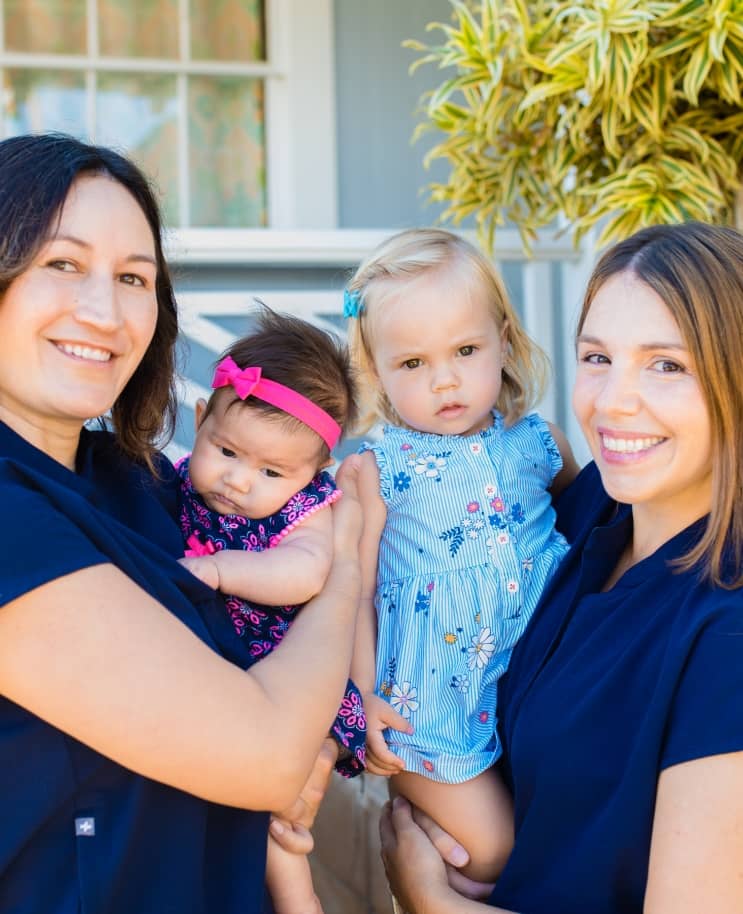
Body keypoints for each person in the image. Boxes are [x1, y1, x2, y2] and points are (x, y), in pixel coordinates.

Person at [0, 132, 362, 914]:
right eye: (62, 263)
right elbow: (262, 750)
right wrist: (346, 572)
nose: (104, 311)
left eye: (134, 277)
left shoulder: (142, 481)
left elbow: (276, 692)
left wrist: (322, 738)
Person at [378, 221, 743, 914]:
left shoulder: (728, 629)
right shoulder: (582, 514)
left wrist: (433, 902)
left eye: (666, 365)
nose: (611, 402)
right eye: (596, 357)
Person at [345, 228, 579, 881]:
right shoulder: (377, 471)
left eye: (465, 350)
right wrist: (360, 695)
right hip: (431, 706)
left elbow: (596, 531)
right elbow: (352, 591)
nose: (444, 380)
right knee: (490, 852)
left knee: (558, 833)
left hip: (538, 683)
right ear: (377, 371)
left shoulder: (541, 445)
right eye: (412, 363)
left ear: (503, 340)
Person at [175, 306, 365, 913]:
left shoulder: (307, 512)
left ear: (313, 475)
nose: (238, 481)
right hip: (221, 681)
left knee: (277, 817)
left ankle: (297, 899)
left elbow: (307, 573)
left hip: (287, 667)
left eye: (270, 471)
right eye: (227, 450)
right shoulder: (175, 484)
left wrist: (225, 570)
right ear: (200, 420)